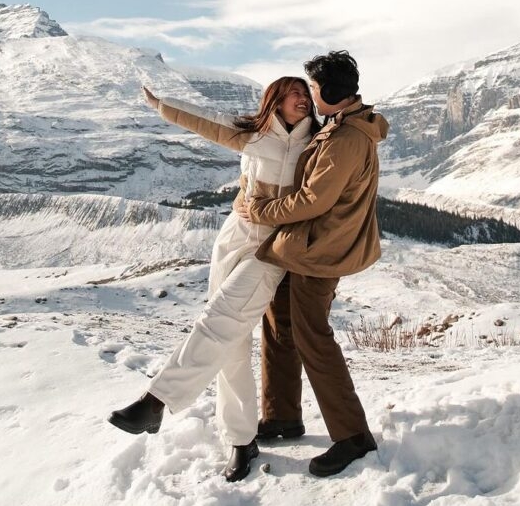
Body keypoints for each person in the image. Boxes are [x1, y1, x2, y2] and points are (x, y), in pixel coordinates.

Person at [108, 78, 319, 483]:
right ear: (274, 100)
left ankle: (156, 400)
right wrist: (161, 104)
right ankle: (241, 439)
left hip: (273, 249)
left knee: (220, 320)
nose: (303, 100)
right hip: (234, 237)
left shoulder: (318, 141)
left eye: (306, 94)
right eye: (294, 93)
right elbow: (206, 121)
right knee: (231, 342)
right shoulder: (253, 134)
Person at [238, 50, 388, 477]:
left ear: (331, 92)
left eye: (315, 89)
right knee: (279, 323)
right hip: (308, 246)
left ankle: (352, 436)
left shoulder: (345, 140)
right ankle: (282, 416)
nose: (311, 95)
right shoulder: (341, 127)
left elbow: (312, 200)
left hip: (321, 251)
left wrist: (260, 210)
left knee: (312, 337)